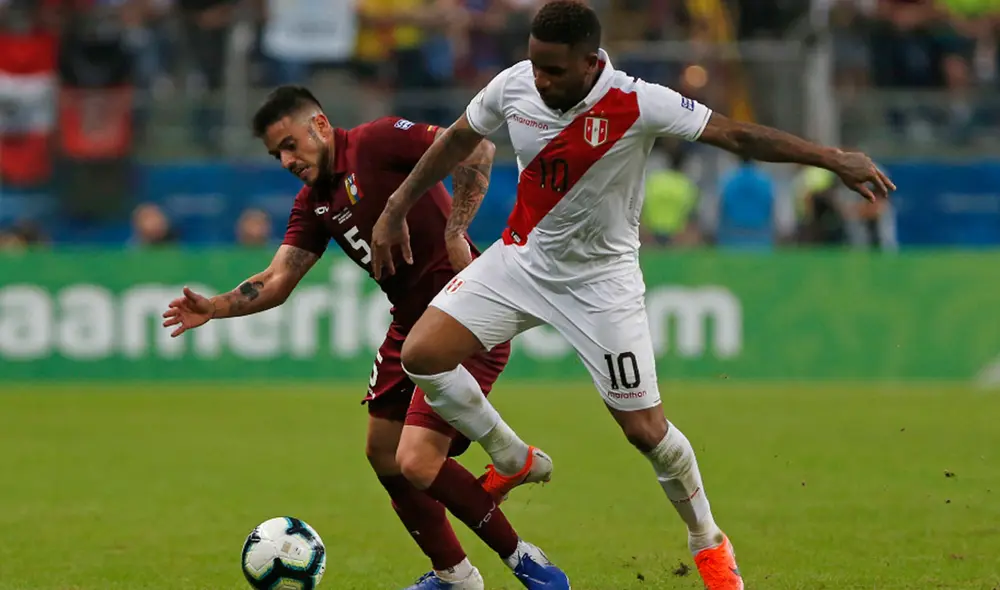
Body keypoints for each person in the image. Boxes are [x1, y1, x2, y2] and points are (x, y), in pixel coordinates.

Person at [369, 2, 896, 589]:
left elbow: (737, 133)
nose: (542, 81)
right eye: (536, 66)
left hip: (602, 285)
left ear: (593, 63)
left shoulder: (640, 101)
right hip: (518, 261)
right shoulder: (513, 85)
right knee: (422, 355)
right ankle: (512, 457)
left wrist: (832, 157)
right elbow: (455, 141)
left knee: (645, 431)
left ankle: (708, 540)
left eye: (556, 71)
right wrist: (396, 206)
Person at [160, 86, 569, 590]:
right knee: (382, 451)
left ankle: (526, 560)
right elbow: (278, 279)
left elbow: (477, 147)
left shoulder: (376, 142)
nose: (287, 160)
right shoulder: (314, 202)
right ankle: (455, 575)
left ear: (321, 125)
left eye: (291, 144)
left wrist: (454, 231)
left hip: (468, 316)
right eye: (276, 154)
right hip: (410, 325)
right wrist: (216, 306)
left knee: (417, 461)